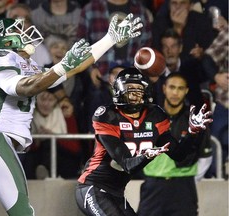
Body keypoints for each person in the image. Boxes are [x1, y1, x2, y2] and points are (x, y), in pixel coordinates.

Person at [0, 13, 144, 215]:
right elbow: (24, 87)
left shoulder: (25, 66)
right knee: (23, 211)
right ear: (5, 41)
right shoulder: (0, 60)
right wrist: (62, 66)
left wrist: (109, 39)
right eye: (18, 32)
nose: (25, 34)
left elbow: (72, 68)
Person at [75, 67, 213, 216]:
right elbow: (128, 164)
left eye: (138, 89)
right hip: (93, 187)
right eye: (129, 88)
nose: (134, 93)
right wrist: (148, 156)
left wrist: (192, 133)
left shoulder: (154, 115)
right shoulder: (108, 115)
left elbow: (179, 155)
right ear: (119, 90)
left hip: (116, 192)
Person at [137, 73, 212, 216]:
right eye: (172, 87)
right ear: (164, 88)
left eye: (180, 88)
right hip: (152, 187)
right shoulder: (148, 117)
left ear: (186, 91)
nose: (175, 93)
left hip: (184, 190)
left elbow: (206, 156)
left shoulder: (196, 120)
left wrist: (188, 179)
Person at [76, 0, 152, 133]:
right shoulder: (91, 8)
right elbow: (80, 43)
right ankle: (94, 145)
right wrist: (91, 68)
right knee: (95, 102)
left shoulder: (139, 10)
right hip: (101, 79)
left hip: (132, 79)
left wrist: (139, 74)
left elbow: (146, 46)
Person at [22, 90, 82, 179]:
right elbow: (24, 147)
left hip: (62, 157)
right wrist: (37, 141)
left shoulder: (65, 114)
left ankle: (47, 172)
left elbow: (75, 148)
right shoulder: (29, 116)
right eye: (42, 99)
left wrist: (54, 137)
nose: (46, 104)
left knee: (49, 141)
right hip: (39, 157)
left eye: (50, 100)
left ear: (55, 102)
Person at [152, 28, 205, 110]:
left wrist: (202, 57)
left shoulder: (192, 69)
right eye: (165, 47)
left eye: (173, 46)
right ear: (161, 49)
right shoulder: (155, 73)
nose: (169, 51)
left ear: (180, 48)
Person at [202, 16, 228, 178]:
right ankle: (212, 178)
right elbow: (207, 59)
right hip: (226, 104)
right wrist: (216, 77)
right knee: (214, 153)